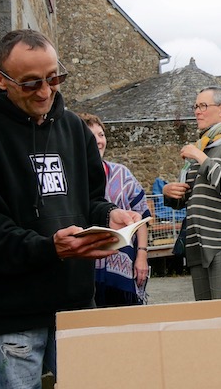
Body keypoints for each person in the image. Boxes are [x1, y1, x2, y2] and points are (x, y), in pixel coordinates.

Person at [0, 29, 141, 388]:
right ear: (0, 79)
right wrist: (49, 248)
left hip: (75, 304)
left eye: (53, 78)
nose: (45, 92)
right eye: (30, 84)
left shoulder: (73, 127)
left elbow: (90, 199)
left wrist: (108, 215)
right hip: (8, 314)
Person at [163, 87, 221, 301]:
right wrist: (170, 192)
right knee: (207, 321)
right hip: (198, 247)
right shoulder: (202, 146)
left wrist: (201, 158)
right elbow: (190, 198)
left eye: (203, 106)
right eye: (196, 106)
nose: (197, 112)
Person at [79, 113, 151, 306]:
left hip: (121, 267)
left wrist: (142, 255)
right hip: (85, 269)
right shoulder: (72, 177)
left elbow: (142, 215)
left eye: (101, 135)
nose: (98, 141)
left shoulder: (122, 174)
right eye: (91, 135)